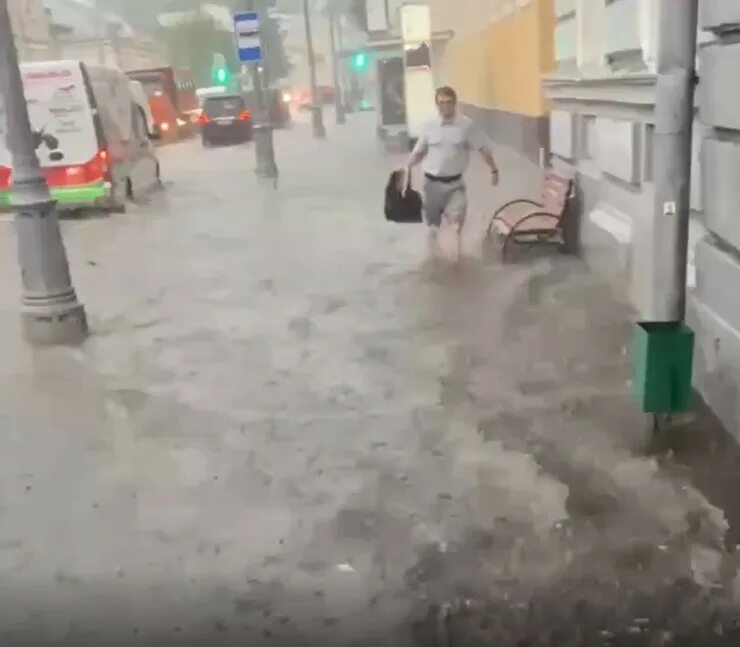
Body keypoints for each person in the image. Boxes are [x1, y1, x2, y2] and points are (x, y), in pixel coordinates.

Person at [405, 86, 499, 261]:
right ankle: (434, 262)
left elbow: (483, 149)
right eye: (442, 103)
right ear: (436, 104)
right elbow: (418, 152)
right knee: (432, 229)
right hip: (431, 186)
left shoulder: (466, 125)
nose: (445, 106)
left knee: (456, 226)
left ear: (455, 104)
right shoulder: (428, 125)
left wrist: (493, 169)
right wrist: (406, 171)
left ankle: (456, 263)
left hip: (456, 186)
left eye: (449, 102)